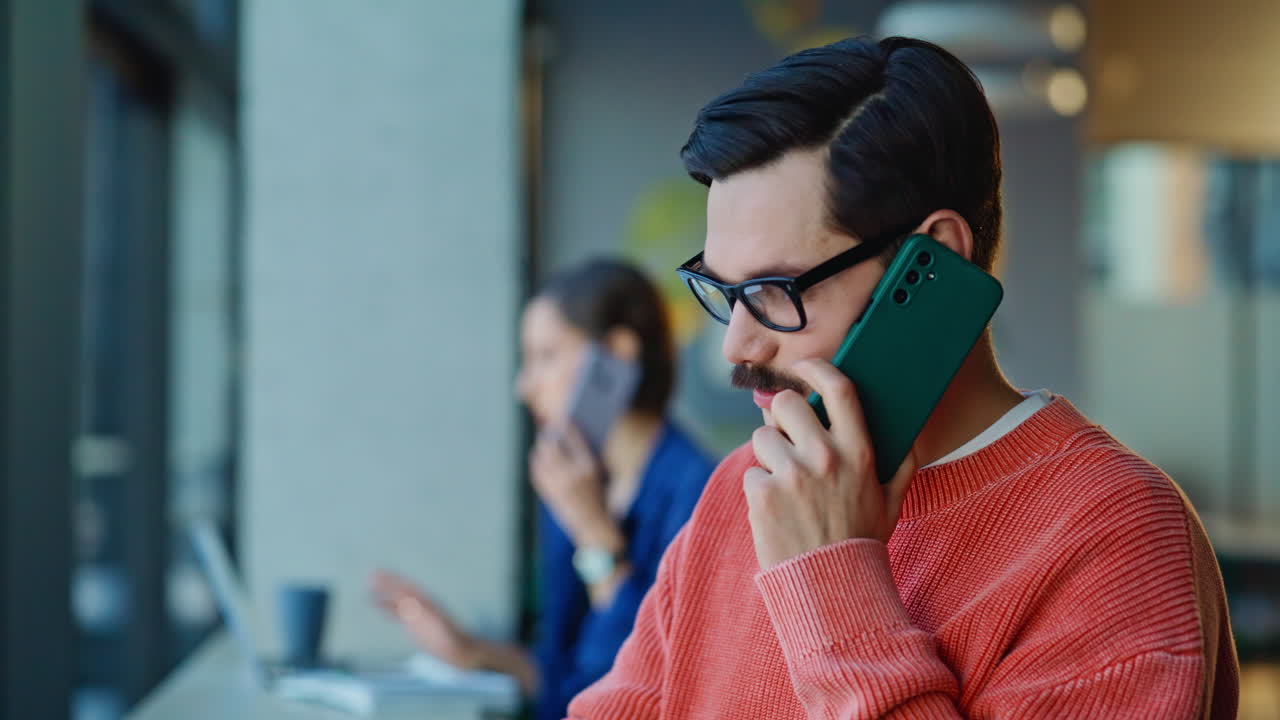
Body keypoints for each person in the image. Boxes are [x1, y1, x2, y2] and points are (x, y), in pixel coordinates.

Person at [566, 36, 1238, 719]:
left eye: (774, 289)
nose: (737, 342)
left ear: (933, 264)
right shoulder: (744, 491)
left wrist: (829, 577)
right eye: (723, 288)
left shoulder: (1114, 535)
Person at [369, 259, 715, 720]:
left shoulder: (699, 494)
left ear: (616, 354)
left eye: (546, 357)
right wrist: (473, 652)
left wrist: (597, 539)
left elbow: (641, 687)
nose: (524, 386)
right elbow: (566, 674)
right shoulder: (575, 484)